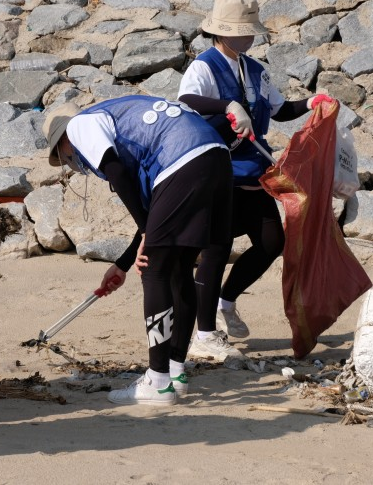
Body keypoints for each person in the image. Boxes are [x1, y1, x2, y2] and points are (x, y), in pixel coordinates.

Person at [43, 97, 232, 405]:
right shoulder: (126, 128)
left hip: (183, 157)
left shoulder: (80, 125)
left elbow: (116, 173)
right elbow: (154, 215)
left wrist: (146, 233)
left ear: (64, 138)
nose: (69, 162)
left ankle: (157, 382)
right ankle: (175, 373)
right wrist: (122, 264)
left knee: (154, 270)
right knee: (179, 266)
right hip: (216, 156)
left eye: (61, 155)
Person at [177, 0, 332, 359]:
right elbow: (187, 102)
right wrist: (227, 106)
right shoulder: (204, 67)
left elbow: (279, 110)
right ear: (222, 32)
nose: (249, 37)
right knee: (215, 250)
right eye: (242, 31)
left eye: (250, 31)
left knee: (271, 242)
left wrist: (312, 102)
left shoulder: (255, 69)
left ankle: (226, 301)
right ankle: (204, 335)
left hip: (255, 172)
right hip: (220, 172)